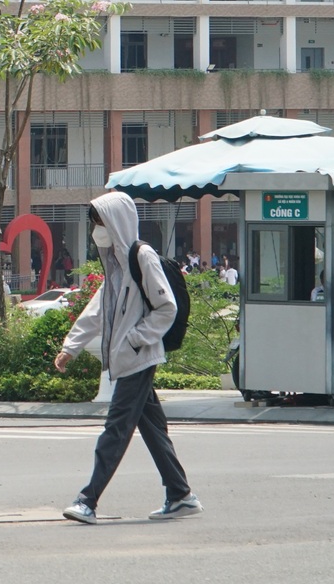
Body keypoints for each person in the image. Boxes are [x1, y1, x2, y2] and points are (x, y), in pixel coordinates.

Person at [55, 190, 199, 524]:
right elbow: (97, 311)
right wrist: (70, 347)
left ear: (116, 222)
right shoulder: (117, 264)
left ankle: (87, 499)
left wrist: (136, 341)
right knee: (152, 429)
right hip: (133, 356)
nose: (96, 230)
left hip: (139, 357)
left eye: (100, 223)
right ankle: (180, 494)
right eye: (93, 224)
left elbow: (166, 308)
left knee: (116, 428)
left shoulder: (141, 256)